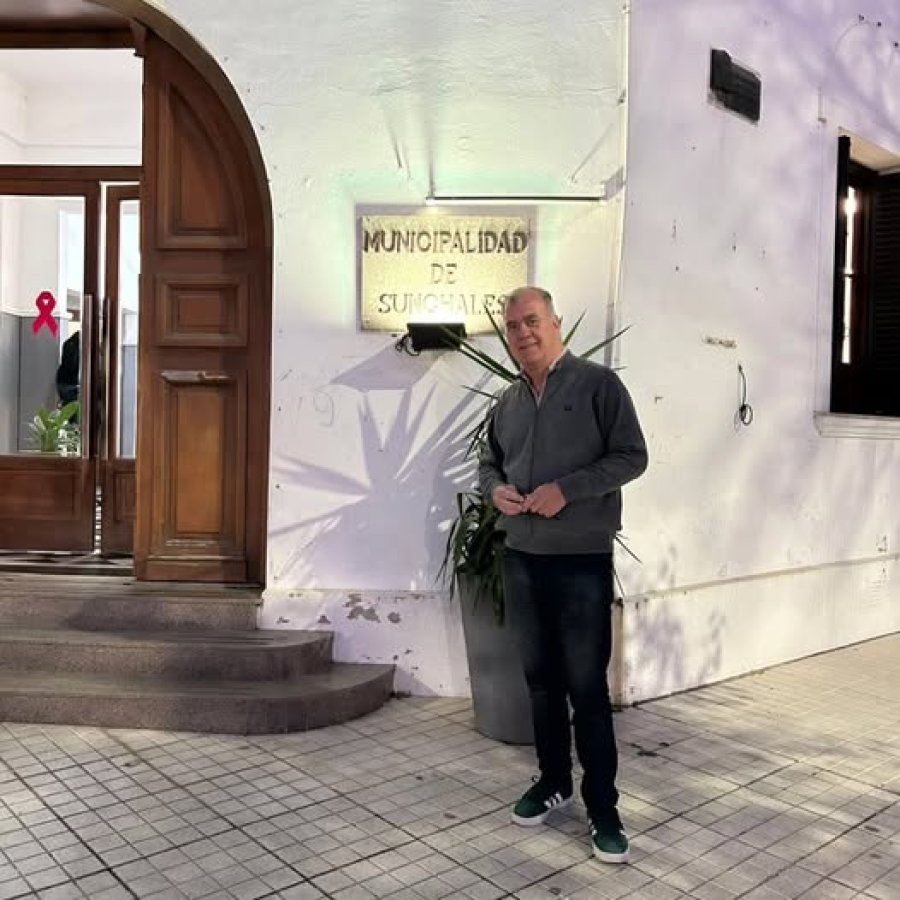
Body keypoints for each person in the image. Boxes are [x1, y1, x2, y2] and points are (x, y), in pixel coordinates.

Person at [478, 286, 648, 864]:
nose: (522, 332)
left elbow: (632, 455)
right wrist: (493, 489)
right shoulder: (508, 401)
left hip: (579, 561)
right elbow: (489, 461)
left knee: (586, 689)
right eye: (513, 326)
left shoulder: (599, 386)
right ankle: (554, 782)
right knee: (541, 682)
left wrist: (565, 491)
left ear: (555, 324)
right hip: (521, 556)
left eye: (532, 321)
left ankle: (604, 808)